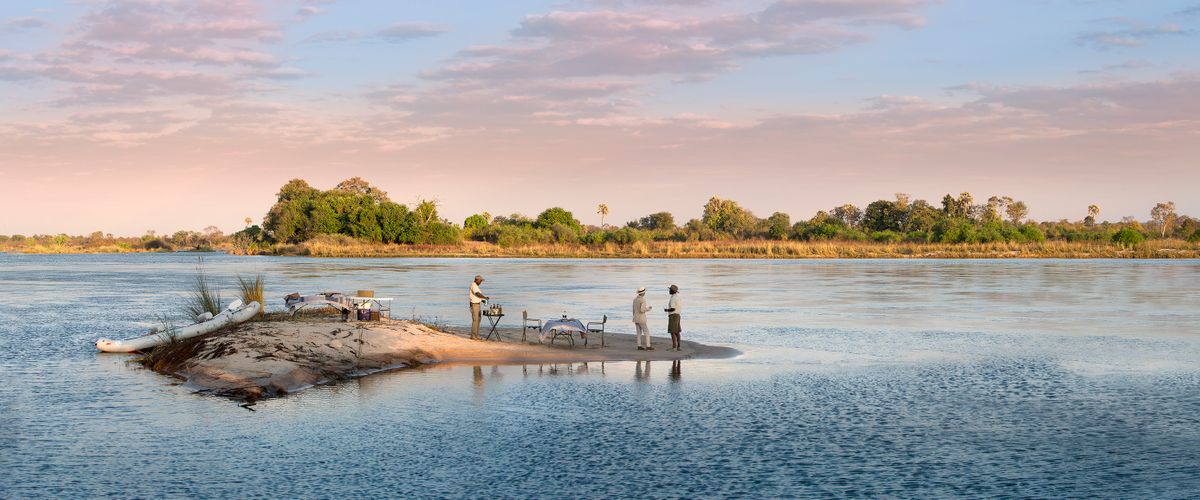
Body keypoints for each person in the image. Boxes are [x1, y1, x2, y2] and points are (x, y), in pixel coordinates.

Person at [468, 275, 489, 340]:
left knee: (478, 319)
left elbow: (476, 296)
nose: (480, 282)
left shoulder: (475, 286)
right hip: (475, 305)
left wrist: (482, 300)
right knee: (475, 320)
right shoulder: (474, 285)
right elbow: (477, 294)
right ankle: (473, 336)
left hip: (477, 304)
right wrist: (484, 297)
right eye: (480, 281)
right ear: (476, 280)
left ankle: (476, 335)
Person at [665, 284, 682, 351]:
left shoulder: (673, 298)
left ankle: (674, 347)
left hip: (673, 316)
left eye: (670, 290)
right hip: (678, 315)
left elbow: (673, 309)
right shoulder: (678, 297)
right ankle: (679, 346)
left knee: (672, 331)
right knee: (677, 331)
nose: (669, 291)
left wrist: (667, 310)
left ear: (672, 291)